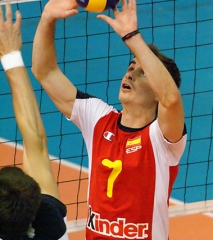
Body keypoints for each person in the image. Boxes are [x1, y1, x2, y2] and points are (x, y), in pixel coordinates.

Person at [32, 0, 187, 239]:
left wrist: (132, 37)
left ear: (157, 91)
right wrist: (47, 18)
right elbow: (44, 71)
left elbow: (171, 100)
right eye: (131, 66)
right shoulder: (98, 118)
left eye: (142, 72)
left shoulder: (163, 138)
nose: (130, 74)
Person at [0, 4, 67, 240]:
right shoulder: (52, 229)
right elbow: (35, 142)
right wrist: (10, 55)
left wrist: (9, 55)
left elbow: (36, 141)